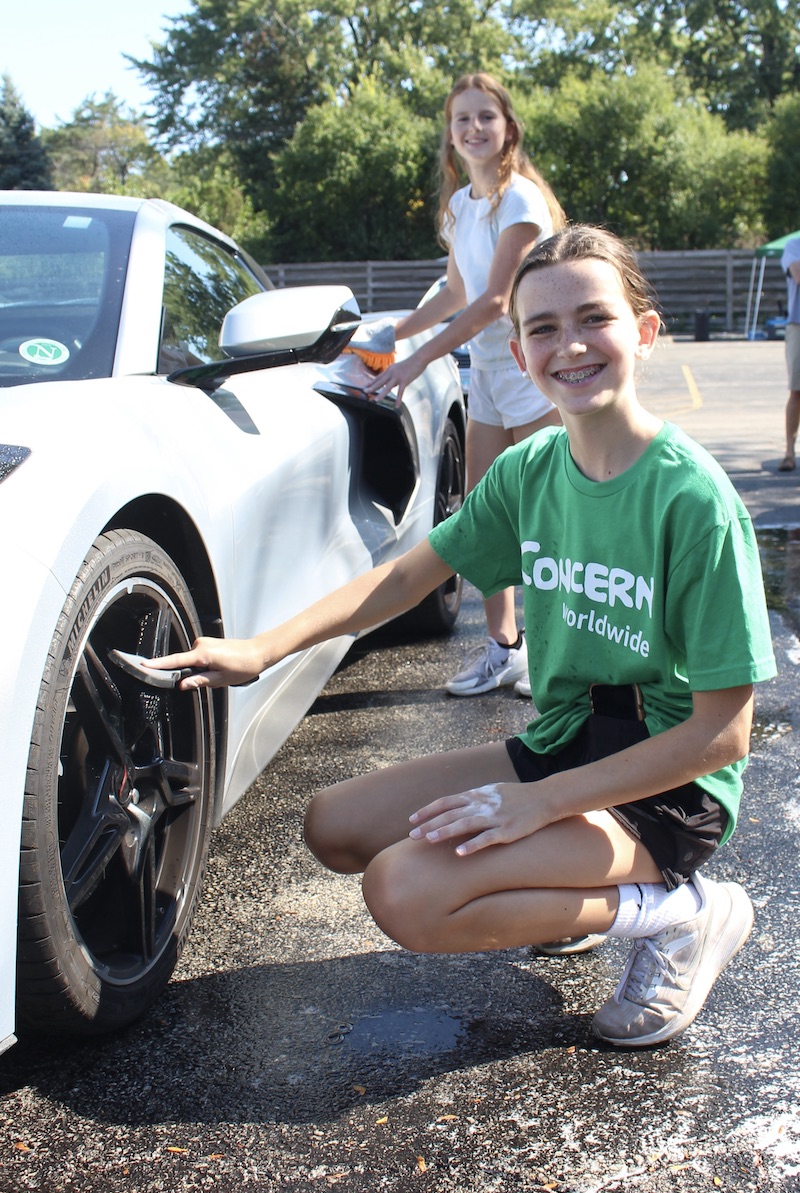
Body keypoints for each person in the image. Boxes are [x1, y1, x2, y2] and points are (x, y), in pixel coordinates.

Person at [148, 225, 775, 1047]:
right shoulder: (532, 469)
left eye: (595, 318)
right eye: (543, 329)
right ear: (516, 354)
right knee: (334, 826)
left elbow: (722, 736)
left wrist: (532, 807)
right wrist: (262, 649)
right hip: (569, 744)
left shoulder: (694, 501)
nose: (571, 345)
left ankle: (680, 913)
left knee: (404, 893)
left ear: (645, 333)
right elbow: (411, 575)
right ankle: (563, 892)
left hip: (665, 790)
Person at [368, 72, 565, 697]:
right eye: (462, 120)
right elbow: (454, 293)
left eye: (486, 117)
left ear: (507, 127)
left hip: (536, 370)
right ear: (450, 136)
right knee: (486, 516)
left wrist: (416, 359)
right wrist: (391, 333)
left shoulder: (523, 202)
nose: (474, 128)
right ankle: (503, 648)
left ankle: (560, 654)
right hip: (487, 375)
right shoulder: (459, 207)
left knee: (549, 518)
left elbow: (494, 301)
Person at [777, 236, 800, 471]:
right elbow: (798, 274)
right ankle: (789, 452)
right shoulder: (794, 245)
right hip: (798, 326)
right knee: (797, 391)